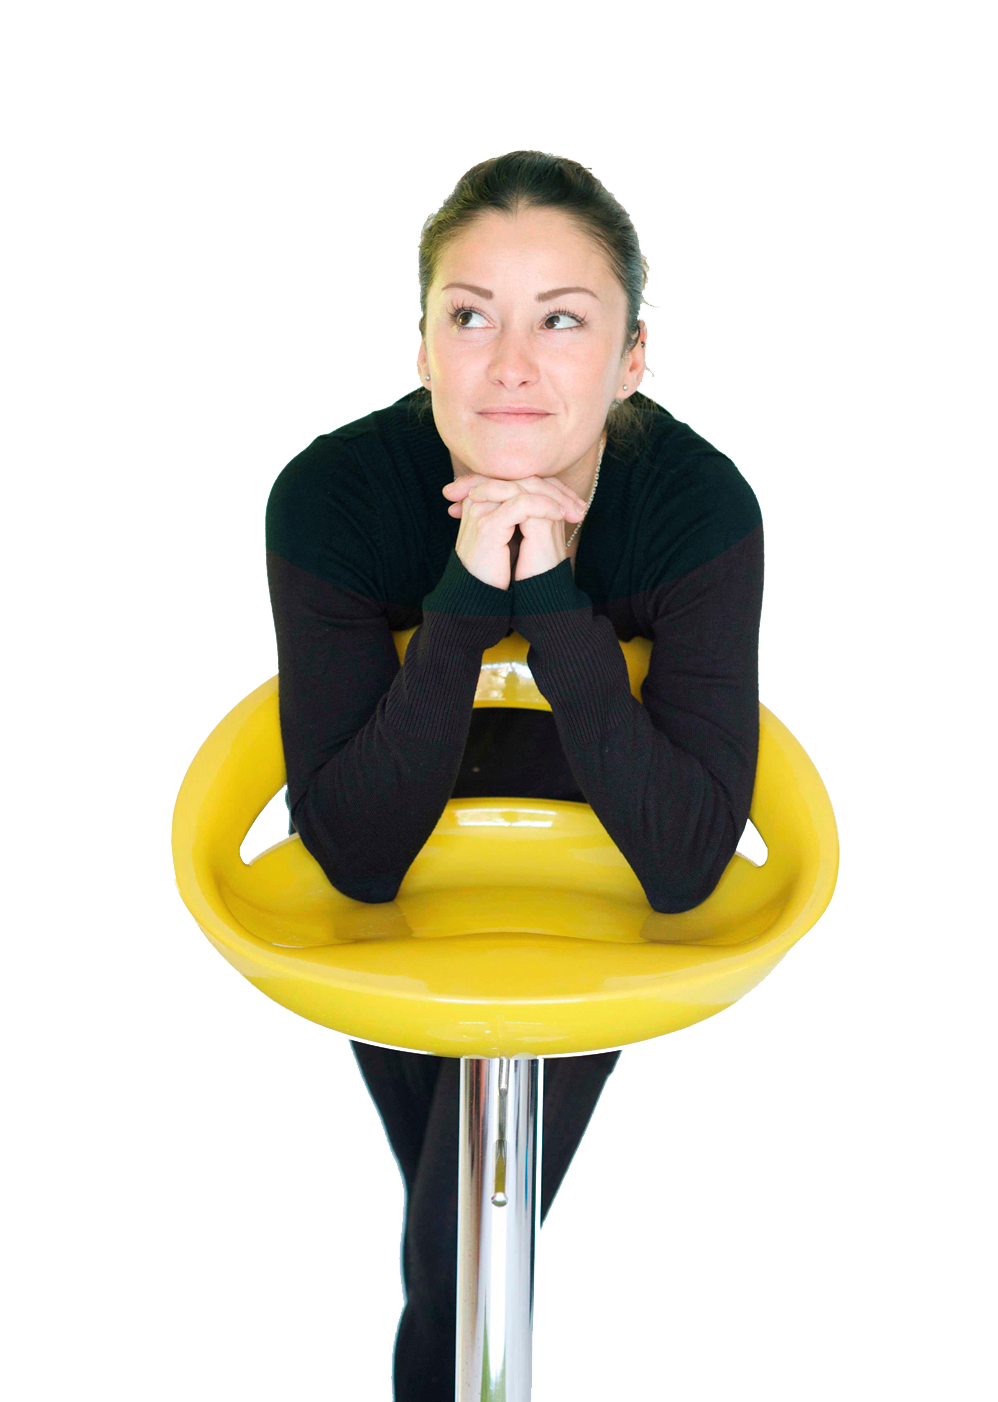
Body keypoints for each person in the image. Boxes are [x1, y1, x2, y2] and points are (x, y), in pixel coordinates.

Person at [265, 150, 764, 1401]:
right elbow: (356, 855)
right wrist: (461, 596)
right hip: (402, 874)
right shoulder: (330, 498)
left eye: (562, 320)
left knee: (452, 1247)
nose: (510, 364)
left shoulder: (698, 511)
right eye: (471, 315)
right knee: (453, 1242)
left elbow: (684, 859)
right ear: (423, 346)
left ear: (632, 357)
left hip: (593, 876)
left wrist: (543, 591)